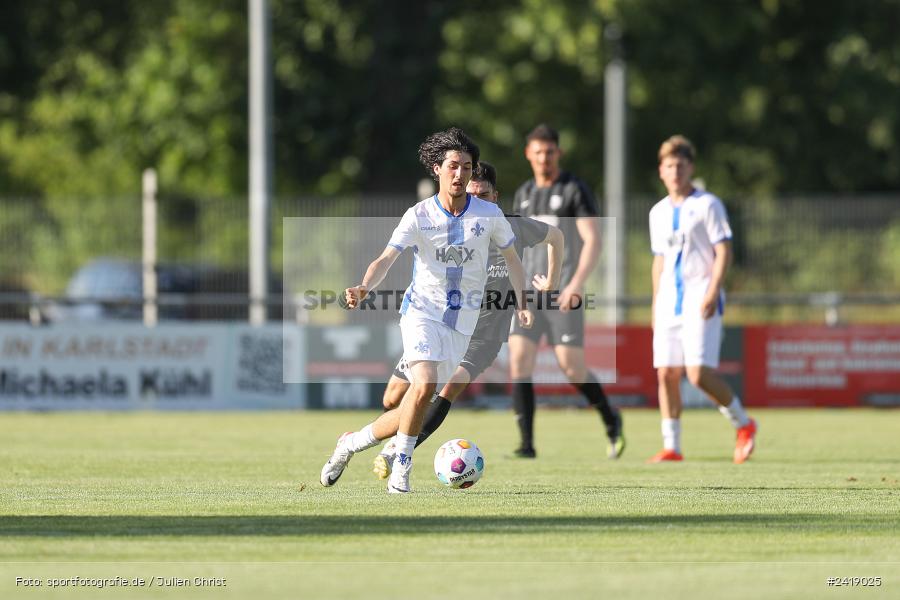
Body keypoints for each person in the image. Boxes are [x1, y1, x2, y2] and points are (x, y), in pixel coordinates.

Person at [319, 128, 531, 493]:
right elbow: (386, 258)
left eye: (467, 166)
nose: (460, 173)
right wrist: (363, 287)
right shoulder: (418, 215)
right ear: (437, 169)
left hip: (461, 325)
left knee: (407, 406)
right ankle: (402, 468)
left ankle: (350, 444)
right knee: (425, 384)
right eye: (453, 166)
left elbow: (513, 260)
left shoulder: (489, 214)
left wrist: (523, 301)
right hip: (421, 313)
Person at [371, 161, 564, 479]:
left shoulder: (510, 227)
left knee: (444, 389)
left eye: (485, 195)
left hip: (485, 334)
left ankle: (397, 454)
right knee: (392, 397)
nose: (478, 202)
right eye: (473, 195)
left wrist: (552, 285)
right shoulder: (455, 231)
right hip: (444, 325)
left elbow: (556, 237)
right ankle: (374, 439)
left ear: (496, 196)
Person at [508, 124, 624, 459]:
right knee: (519, 360)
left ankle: (610, 418)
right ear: (528, 155)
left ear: (558, 153)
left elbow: (593, 240)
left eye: (549, 152)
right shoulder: (524, 193)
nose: (544, 158)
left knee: (571, 368)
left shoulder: (574, 189)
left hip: (562, 295)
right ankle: (526, 444)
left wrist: (574, 285)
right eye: (538, 152)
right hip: (529, 293)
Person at [647, 135, 757, 463]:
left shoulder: (708, 204)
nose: (676, 171)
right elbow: (660, 260)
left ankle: (744, 423)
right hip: (669, 300)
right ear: (661, 171)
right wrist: (655, 302)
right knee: (666, 372)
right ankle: (672, 446)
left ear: (690, 168)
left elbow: (724, 250)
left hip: (700, 298)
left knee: (697, 375)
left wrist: (713, 290)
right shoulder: (658, 212)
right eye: (670, 166)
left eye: (681, 165)